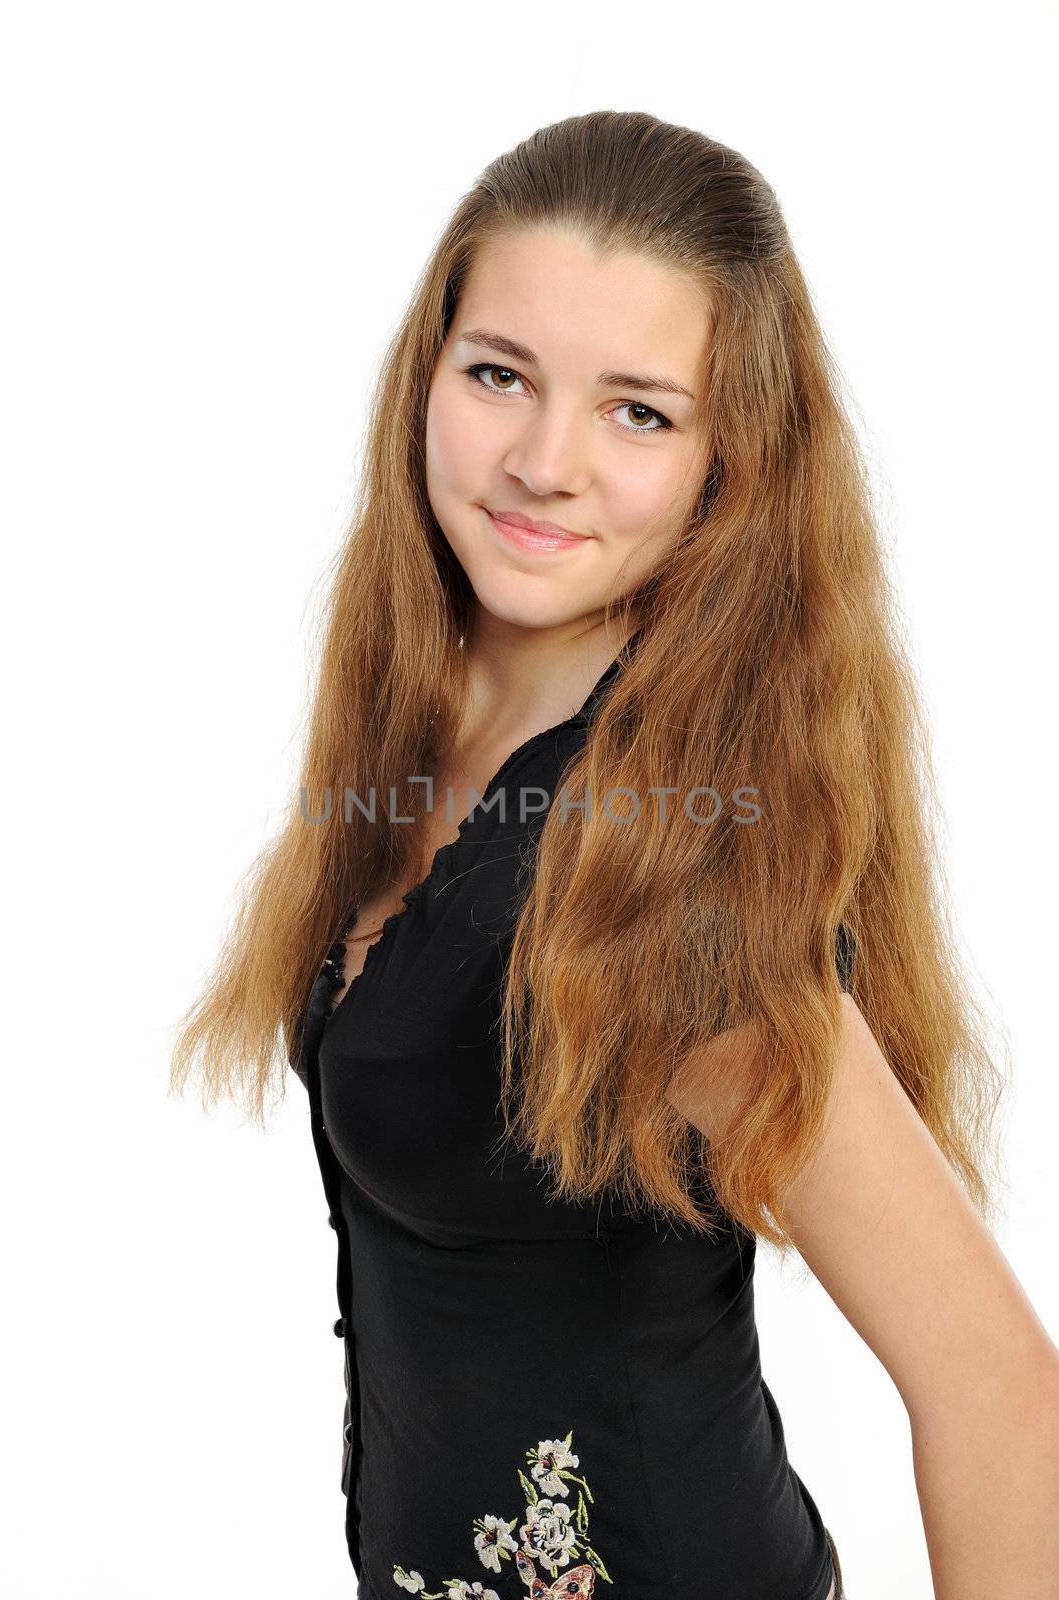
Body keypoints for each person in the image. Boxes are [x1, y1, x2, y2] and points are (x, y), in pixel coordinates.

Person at [170, 110, 1059, 1599]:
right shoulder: (422, 733)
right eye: (499, 375)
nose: (540, 462)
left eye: (637, 411)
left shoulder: (675, 877)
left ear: (731, 464)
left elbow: (1001, 1401)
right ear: (427, 378)